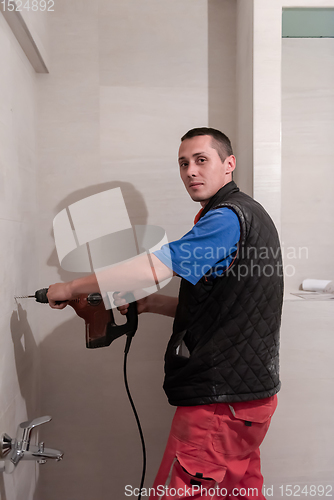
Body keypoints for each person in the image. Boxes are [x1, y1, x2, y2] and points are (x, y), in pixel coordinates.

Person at [48, 128, 283, 500]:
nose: (190, 171)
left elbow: (156, 268)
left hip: (219, 402)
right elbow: (221, 306)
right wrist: (151, 304)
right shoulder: (246, 215)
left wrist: (71, 287)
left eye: (201, 160)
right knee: (239, 492)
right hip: (249, 400)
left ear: (229, 165)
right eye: (183, 163)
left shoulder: (226, 218)